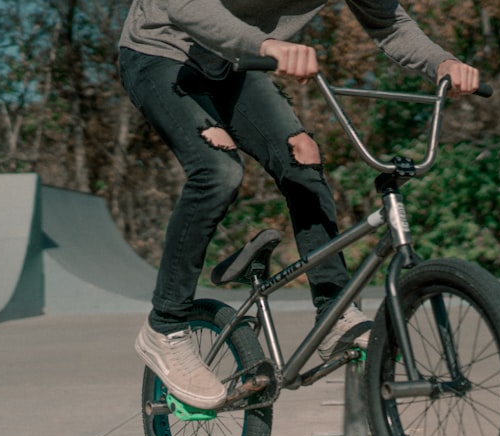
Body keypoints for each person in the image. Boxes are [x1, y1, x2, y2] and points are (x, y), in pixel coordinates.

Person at [119, 0, 481, 409]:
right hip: (161, 53)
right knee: (218, 171)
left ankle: (334, 315)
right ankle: (165, 327)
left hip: (236, 64)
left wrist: (442, 62)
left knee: (302, 156)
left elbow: (389, 23)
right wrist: (268, 44)